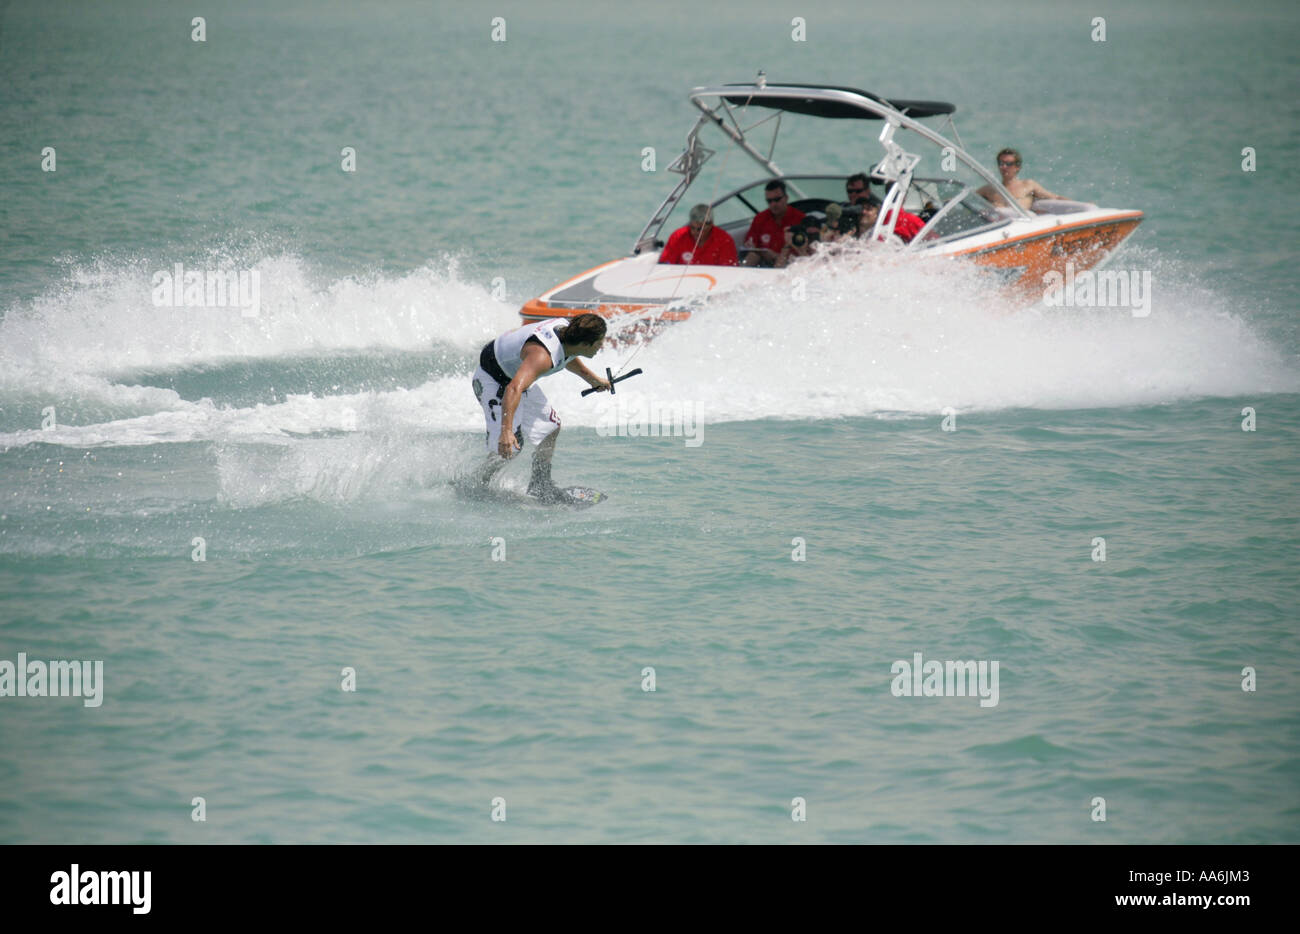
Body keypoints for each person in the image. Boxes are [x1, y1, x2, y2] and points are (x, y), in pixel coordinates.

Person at [471, 313, 610, 502]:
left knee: (550, 428)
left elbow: (568, 355)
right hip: (494, 381)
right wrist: (506, 430)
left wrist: (593, 380)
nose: (602, 347)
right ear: (585, 344)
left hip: (518, 377)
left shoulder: (568, 334)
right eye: (599, 343)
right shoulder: (542, 358)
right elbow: (513, 389)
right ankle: (476, 484)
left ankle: (540, 485)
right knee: (509, 447)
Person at [976, 148, 1064, 212]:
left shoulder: (1028, 185)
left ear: (1017, 167)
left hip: (1020, 228)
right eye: (1001, 163)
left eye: (1008, 164)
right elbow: (968, 200)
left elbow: (1056, 198)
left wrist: (1077, 209)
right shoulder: (989, 189)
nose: (1004, 167)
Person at [741, 180, 805, 266]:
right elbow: (750, 243)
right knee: (752, 255)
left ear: (786, 198)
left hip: (790, 265)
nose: (773, 204)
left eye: (777, 199)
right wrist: (750, 246)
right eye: (769, 201)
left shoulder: (800, 219)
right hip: (764, 263)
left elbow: (803, 254)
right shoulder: (760, 219)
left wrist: (776, 256)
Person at [659, 204, 738, 266]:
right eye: (692, 228)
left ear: (710, 225)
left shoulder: (724, 240)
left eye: (699, 229)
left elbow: (728, 269)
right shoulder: (678, 236)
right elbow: (666, 264)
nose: (694, 232)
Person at [856, 193, 925, 243]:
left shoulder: (883, 236)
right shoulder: (853, 234)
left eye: (868, 209)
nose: (863, 212)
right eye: (861, 209)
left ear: (877, 215)